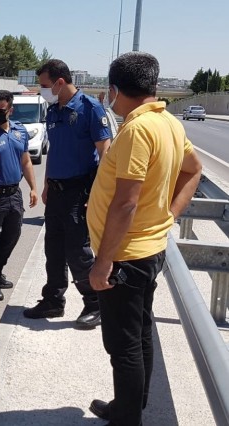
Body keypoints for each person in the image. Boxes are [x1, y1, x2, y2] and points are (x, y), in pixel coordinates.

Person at [86, 52, 202, 426]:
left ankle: (127, 419)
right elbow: (193, 170)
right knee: (140, 333)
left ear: (115, 90)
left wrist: (104, 261)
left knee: (123, 346)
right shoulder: (167, 122)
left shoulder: (137, 130)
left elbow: (125, 204)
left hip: (126, 256)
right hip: (149, 249)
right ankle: (130, 406)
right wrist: (169, 215)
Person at [22, 59, 112, 329]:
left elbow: (104, 152)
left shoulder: (90, 109)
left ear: (60, 82)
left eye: (45, 85)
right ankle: (53, 300)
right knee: (54, 249)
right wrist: (47, 183)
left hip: (79, 189)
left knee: (78, 251)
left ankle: (95, 303)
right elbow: (56, 150)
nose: (43, 90)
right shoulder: (54, 110)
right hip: (58, 190)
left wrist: (95, 192)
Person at [0, 90, 38, 301]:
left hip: (15, 193)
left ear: (10, 110)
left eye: (0, 110)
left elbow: (26, 161)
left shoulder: (19, 131)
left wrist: (33, 187)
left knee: (13, 235)